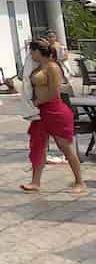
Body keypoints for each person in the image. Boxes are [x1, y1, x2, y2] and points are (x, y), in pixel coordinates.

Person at [21, 40, 86, 194]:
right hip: (40, 112)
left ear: (38, 51)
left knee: (65, 147)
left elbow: (53, 92)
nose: (30, 54)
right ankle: (35, 182)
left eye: (32, 51)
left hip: (55, 110)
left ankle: (80, 182)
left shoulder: (52, 67)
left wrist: (36, 102)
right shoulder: (36, 67)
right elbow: (25, 81)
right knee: (38, 146)